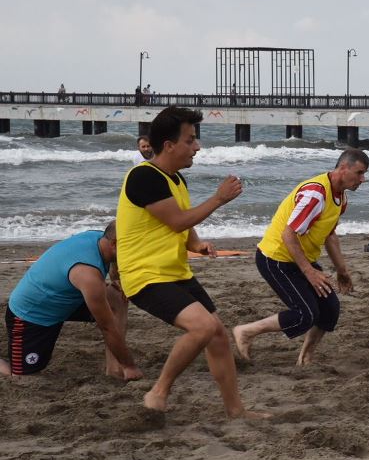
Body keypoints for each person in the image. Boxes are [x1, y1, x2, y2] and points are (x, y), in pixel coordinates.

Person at [116, 106, 265, 418]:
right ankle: (158, 391)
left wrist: (196, 243)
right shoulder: (144, 177)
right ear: (169, 145)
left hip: (174, 272)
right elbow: (177, 221)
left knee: (218, 336)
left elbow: (181, 222)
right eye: (191, 140)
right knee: (203, 327)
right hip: (144, 276)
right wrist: (218, 199)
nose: (197, 146)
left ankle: (236, 410)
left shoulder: (176, 180)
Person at [232, 149, 369, 365]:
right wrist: (310, 272)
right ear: (343, 168)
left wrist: (342, 271)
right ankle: (246, 331)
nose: (363, 179)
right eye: (359, 173)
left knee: (330, 309)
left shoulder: (340, 198)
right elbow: (288, 234)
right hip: (275, 259)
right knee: (305, 314)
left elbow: (330, 235)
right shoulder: (315, 194)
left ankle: (305, 358)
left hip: (298, 259)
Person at [1, 223, 140, 381]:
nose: (136, 252)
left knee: (117, 296)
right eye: (133, 247)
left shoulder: (99, 238)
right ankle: (124, 366)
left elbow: (115, 262)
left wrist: (118, 280)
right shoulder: (88, 274)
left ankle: (114, 368)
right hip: (32, 316)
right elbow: (107, 327)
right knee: (23, 378)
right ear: (114, 244)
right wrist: (130, 366)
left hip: (66, 300)